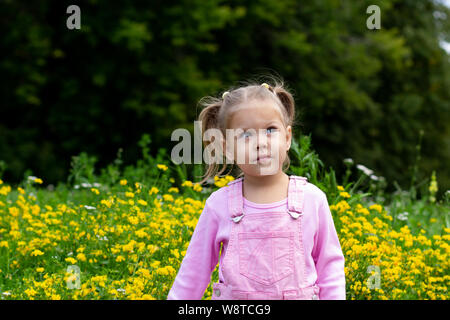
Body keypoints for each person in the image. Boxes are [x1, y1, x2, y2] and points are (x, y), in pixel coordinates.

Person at [167, 78, 345, 300]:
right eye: (246, 135)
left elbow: (331, 269)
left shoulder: (312, 200)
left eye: (270, 130)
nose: (260, 142)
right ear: (227, 148)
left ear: (287, 138)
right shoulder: (219, 205)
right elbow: (193, 271)